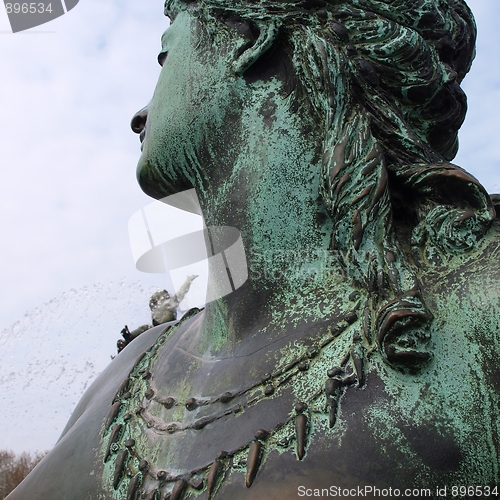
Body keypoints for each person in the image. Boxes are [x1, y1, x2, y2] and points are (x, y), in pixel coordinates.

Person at [7, 1, 499, 498]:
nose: (139, 115)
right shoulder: (125, 378)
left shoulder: (484, 307)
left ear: (249, 38)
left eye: (164, 57)